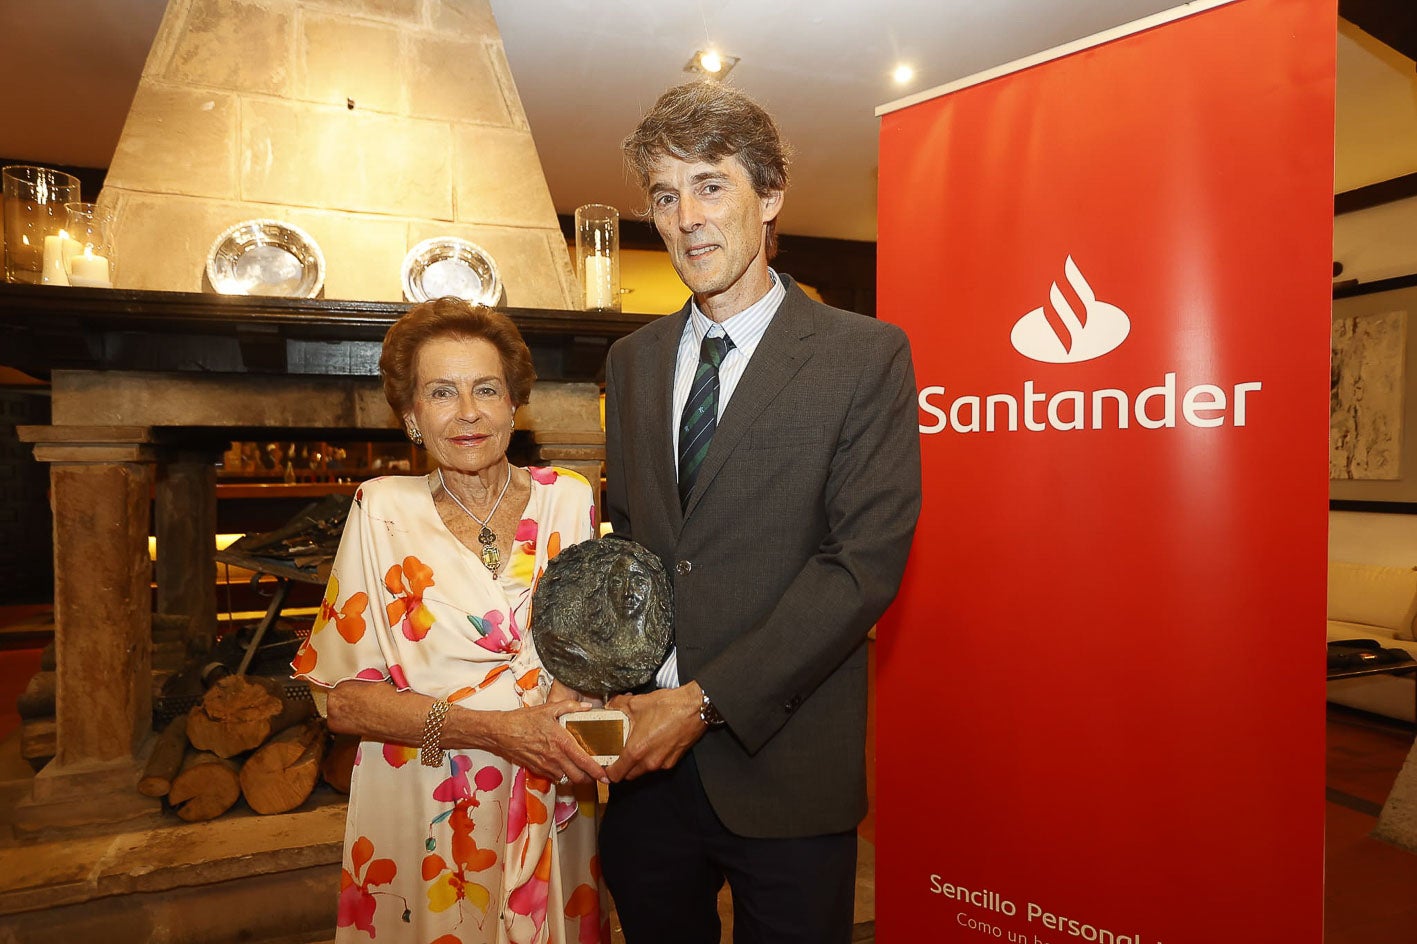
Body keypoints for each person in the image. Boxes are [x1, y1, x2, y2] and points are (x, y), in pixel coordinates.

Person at [599, 82, 923, 943]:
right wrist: (600, 675)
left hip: (784, 771)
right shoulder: (631, 362)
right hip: (644, 778)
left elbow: (861, 565)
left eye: (711, 185)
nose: (687, 219)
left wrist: (701, 702)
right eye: (666, 197)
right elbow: (631, 538)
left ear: (769, 196)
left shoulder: (865, 356)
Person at [291, 297, 610, 944]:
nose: (467, 412)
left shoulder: (570, 499)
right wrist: (495, 731)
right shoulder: (380, 509)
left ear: (513, 405)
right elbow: (343, 705)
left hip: (550, 791)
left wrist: (582, 730)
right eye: (441, 393)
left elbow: (594, 662)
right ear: (412, 416)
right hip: (425, 798)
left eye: (485, 389)